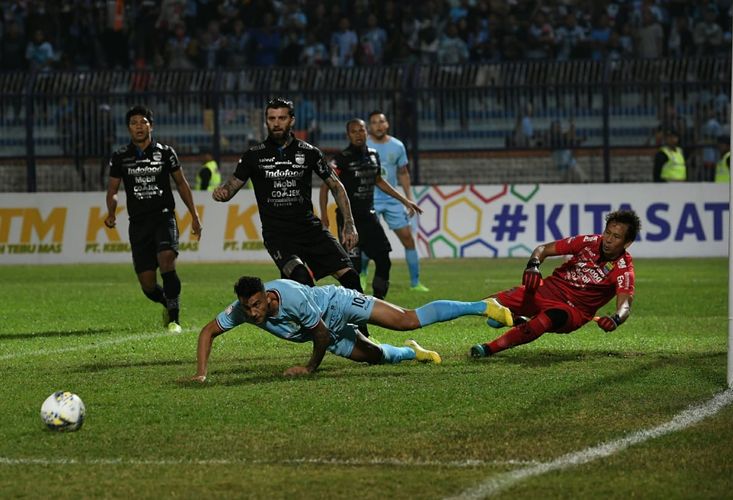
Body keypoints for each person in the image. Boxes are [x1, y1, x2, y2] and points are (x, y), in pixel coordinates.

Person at [190, 275, 515, 380]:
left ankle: (482, 306)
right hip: (323, 328)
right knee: (374, 357)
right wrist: (202, 373)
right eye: (248, 308)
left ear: (266, 296)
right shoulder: (241, 311)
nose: (254, 312)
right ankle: (412, 353)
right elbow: (207, 332)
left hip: (338, 303)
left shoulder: (292, 298)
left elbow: (318, 334)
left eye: (257, 305)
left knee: (406, 319)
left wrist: (309, 368)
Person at [212, 97, 367, 312]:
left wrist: (349, 224)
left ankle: (363, 334)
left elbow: (336, 186)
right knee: (302, 278)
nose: (276, 123)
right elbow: (232, 187)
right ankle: (320, 330)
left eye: (282, 118)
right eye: (271, 118)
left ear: (291, 120)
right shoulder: (253, 156)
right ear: (266, 121)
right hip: (278, 236)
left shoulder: (309, 152)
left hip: (310, 229)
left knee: (351, 278)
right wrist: (222, 193)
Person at [470, 209, 641, 358]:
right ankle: (515, 318)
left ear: (627, 243)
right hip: (549, 291)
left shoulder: (624, 269)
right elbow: (543, 249)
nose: (608, 239)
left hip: (574, 311)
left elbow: (625, 304)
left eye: (616, 236)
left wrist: (616, 319)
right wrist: (533, 265)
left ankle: (488, 348)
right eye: (607, 233)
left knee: (548, 319)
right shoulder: (589, 242)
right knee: (492, 302)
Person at [105, 105, 202, 334]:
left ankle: (174, 319)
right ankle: (166, 304)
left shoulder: (166, 152)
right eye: (134, 123)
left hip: (164, 217)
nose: (139, 126)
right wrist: (111, 211)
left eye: (143, 121)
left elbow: (181, 184)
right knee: (148, 285)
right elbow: (113, 189)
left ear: (151, 125)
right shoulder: (120, 156)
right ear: (128, 128)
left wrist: (194, 215)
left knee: (167, 259)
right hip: (138, 223)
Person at [319, 118, 422, 299]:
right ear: (348, 135)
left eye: (361, 130)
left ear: (367, 132)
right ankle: (355, 306)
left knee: (384, 260)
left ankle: (378, 301)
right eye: (354, 131)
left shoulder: (373, 155)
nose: (358, 134)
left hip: (369, 217)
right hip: (349, 220)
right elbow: (325, 186)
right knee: (353, 268)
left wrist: (405, 200)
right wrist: (324, 216)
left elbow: (379, 181)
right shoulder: (341, 159)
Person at [363, 110, 428, 292]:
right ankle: (361, 275)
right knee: (367, 242)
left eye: (381, 121)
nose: (378, 125)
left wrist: (408, 198)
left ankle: (415, 283)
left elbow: (403, 173)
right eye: (374, 122)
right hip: (370, 199)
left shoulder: (397, 146)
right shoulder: (363, 145)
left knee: (408, 239)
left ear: (387, 124)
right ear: (369, 126)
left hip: (392, 200)